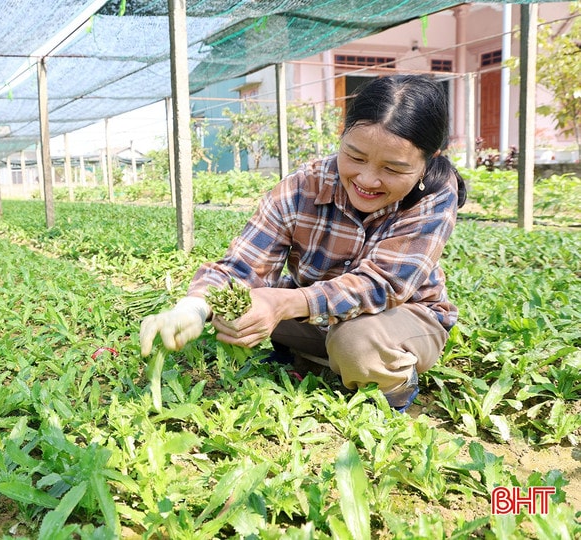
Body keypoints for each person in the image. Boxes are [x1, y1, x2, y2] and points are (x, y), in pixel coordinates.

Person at [140, 74, 467, 412]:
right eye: (355, 157)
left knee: (356, 342)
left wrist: (284, 303)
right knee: (238, 307)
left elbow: (383, 284)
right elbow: (244, 265)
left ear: (428, 160)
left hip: (403, 316)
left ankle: (391, 383)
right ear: (342, 137)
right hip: (316, 315)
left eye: (393, 169)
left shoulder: (434, 195)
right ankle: (320, 357)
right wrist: (193, 308)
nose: (367, 179)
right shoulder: (302, 187)